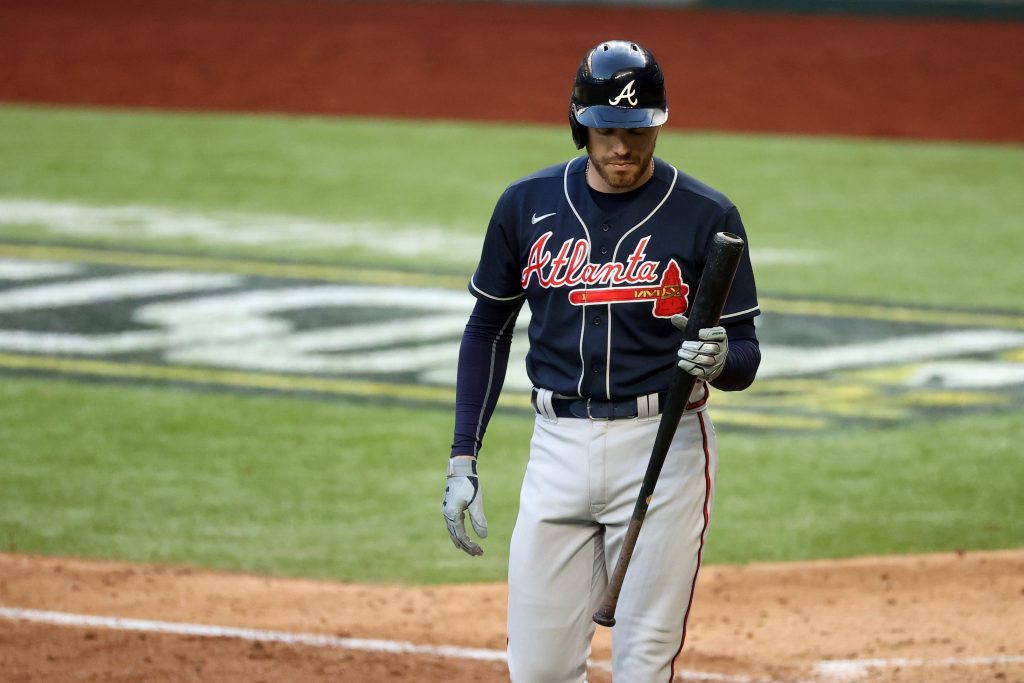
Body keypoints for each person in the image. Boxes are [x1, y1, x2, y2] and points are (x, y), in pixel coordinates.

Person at [442, 39, 761, 682]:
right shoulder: (525, 204)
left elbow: (746, 357)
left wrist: (720, 358)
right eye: (608, 130)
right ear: (580, 126)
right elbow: (488, 329)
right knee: (537, 670)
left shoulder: (707, 216)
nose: (624, 148)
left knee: (643, 664)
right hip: (555, 447)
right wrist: (462, 455)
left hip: (663, 451)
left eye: (638, 131)